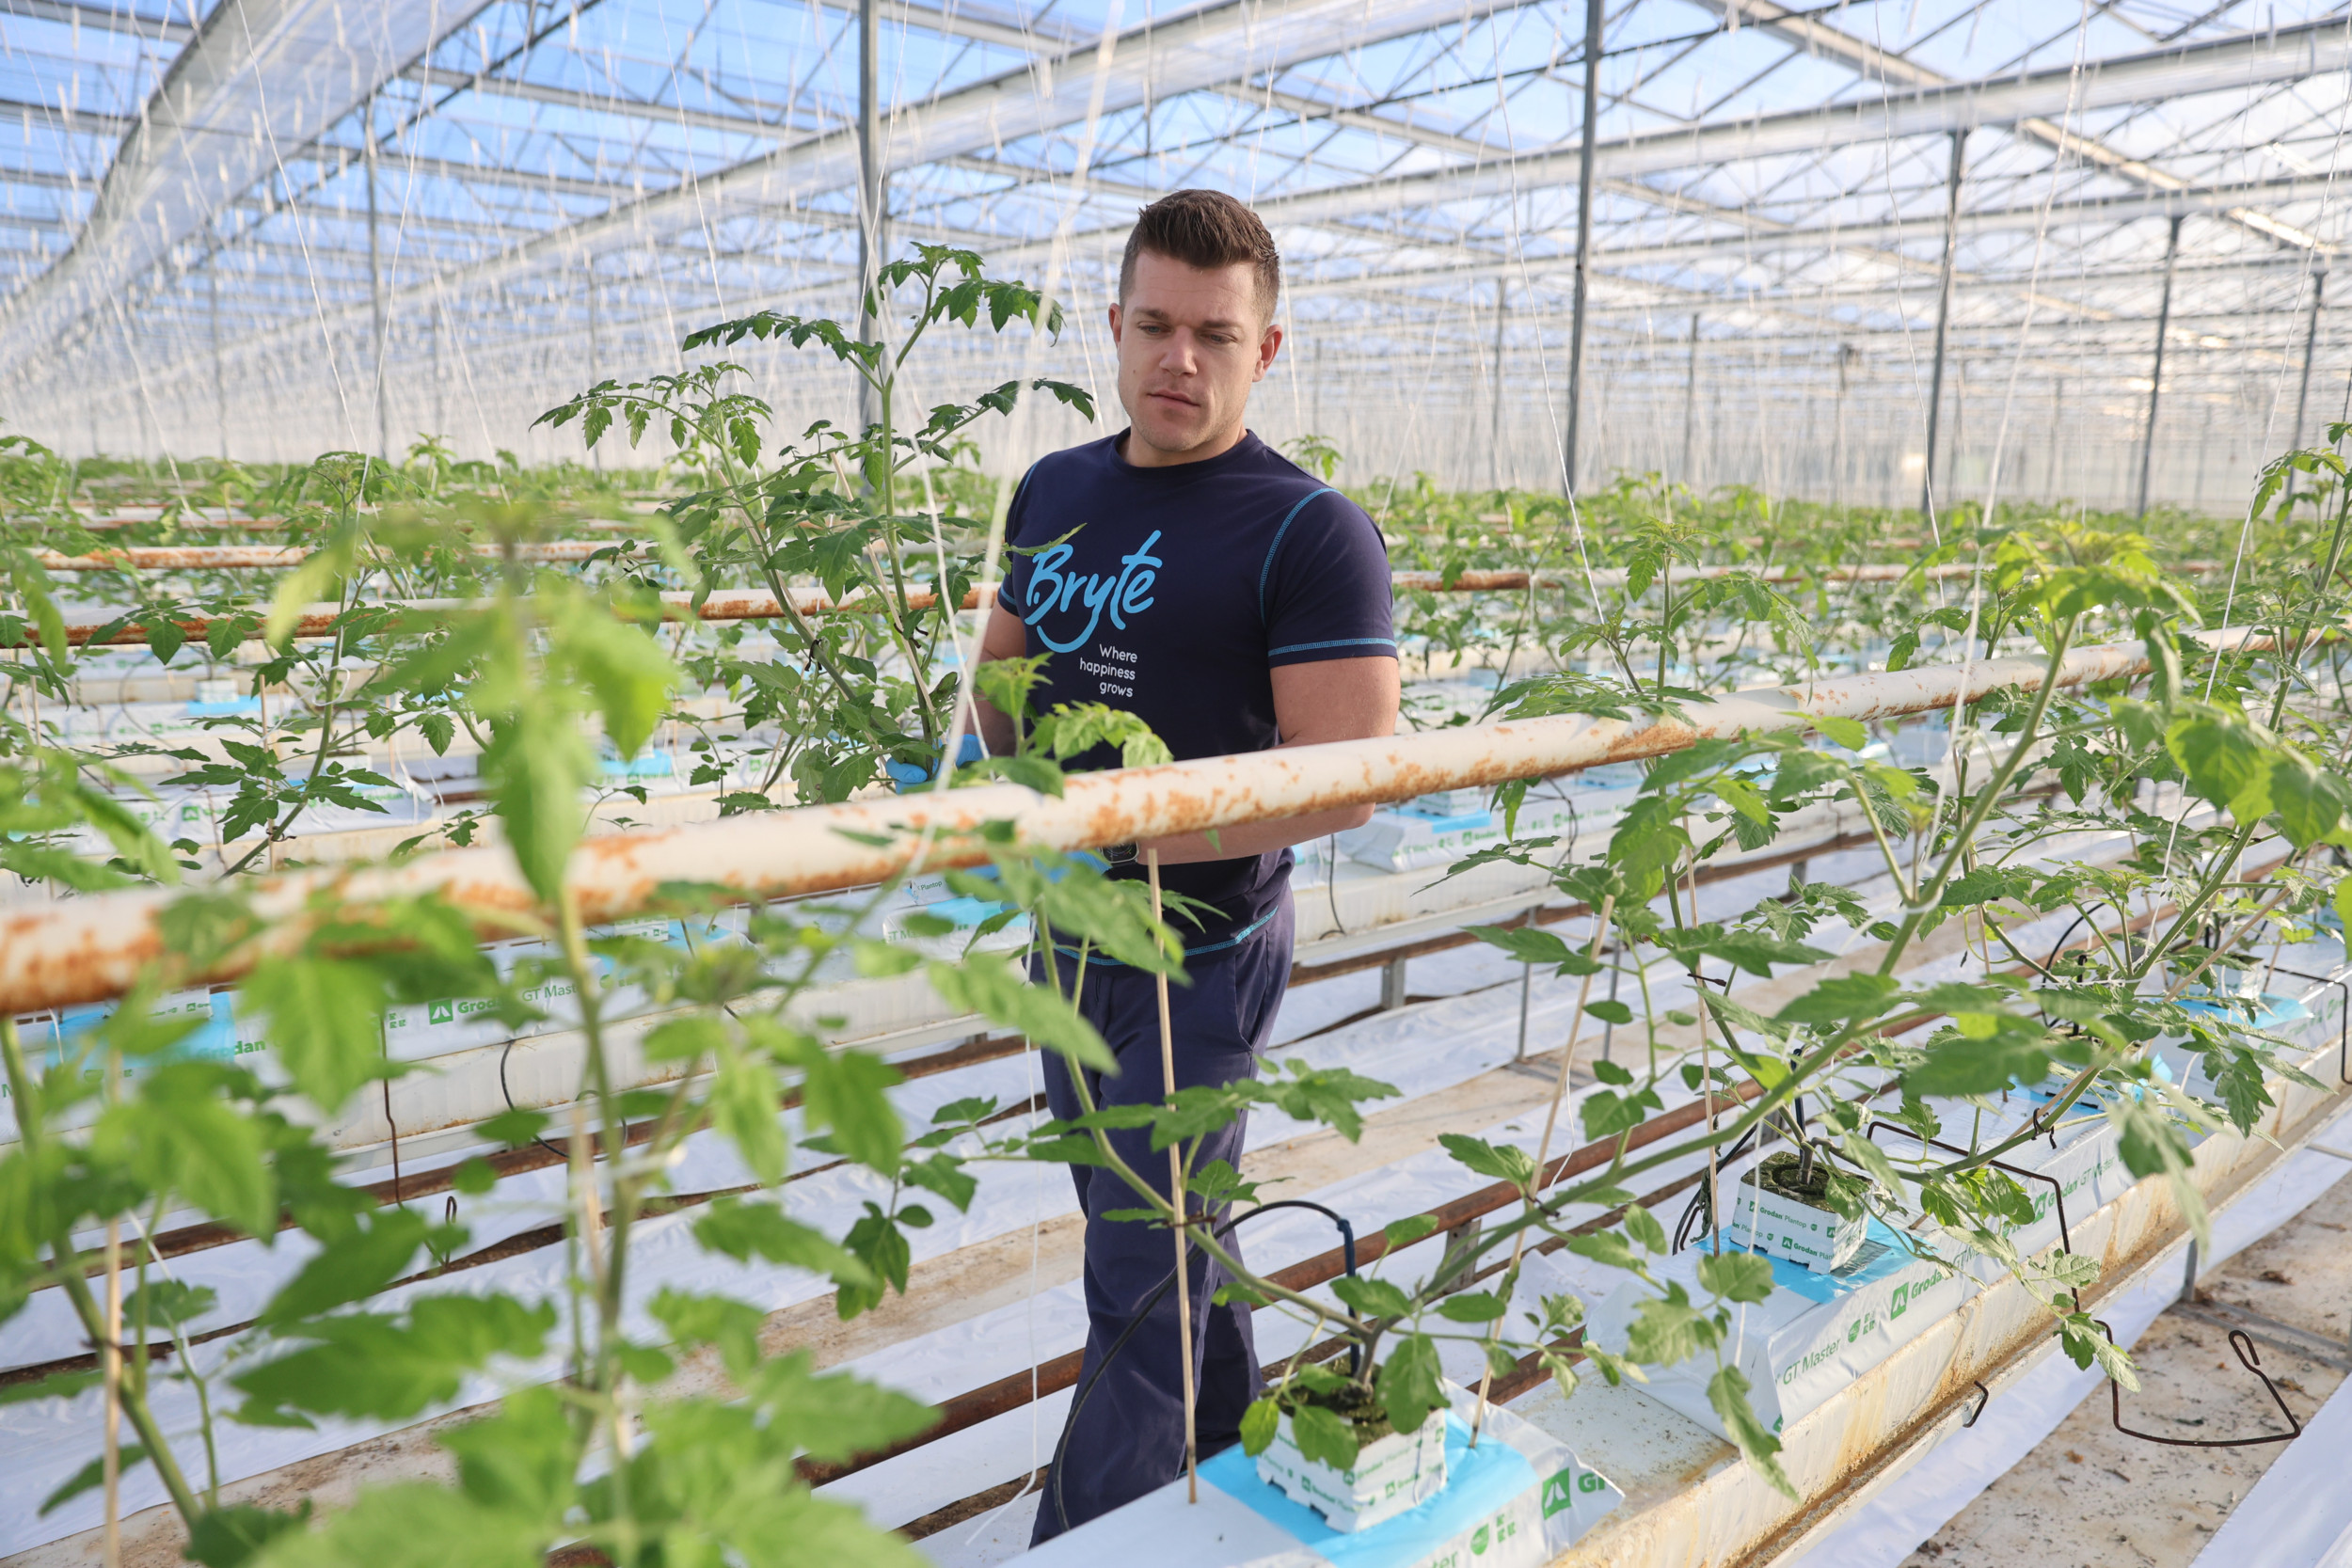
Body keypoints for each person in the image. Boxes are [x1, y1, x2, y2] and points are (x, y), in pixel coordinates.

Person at [967, 188, 1402, 1543]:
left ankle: (1089, 1535)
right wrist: (983, 783)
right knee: (1149, 1221)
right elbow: (999, 686)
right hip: (1066, 935)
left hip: (1196, 951)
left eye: (1216, 334)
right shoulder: (1054, 486)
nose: (1180, 359)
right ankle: (1233, 1446)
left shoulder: (1308, 530)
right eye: (1155, 325)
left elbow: (1340, 782)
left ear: (1265, 351)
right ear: (1114, 327)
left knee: (1137, 1275)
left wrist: (1128, 826)